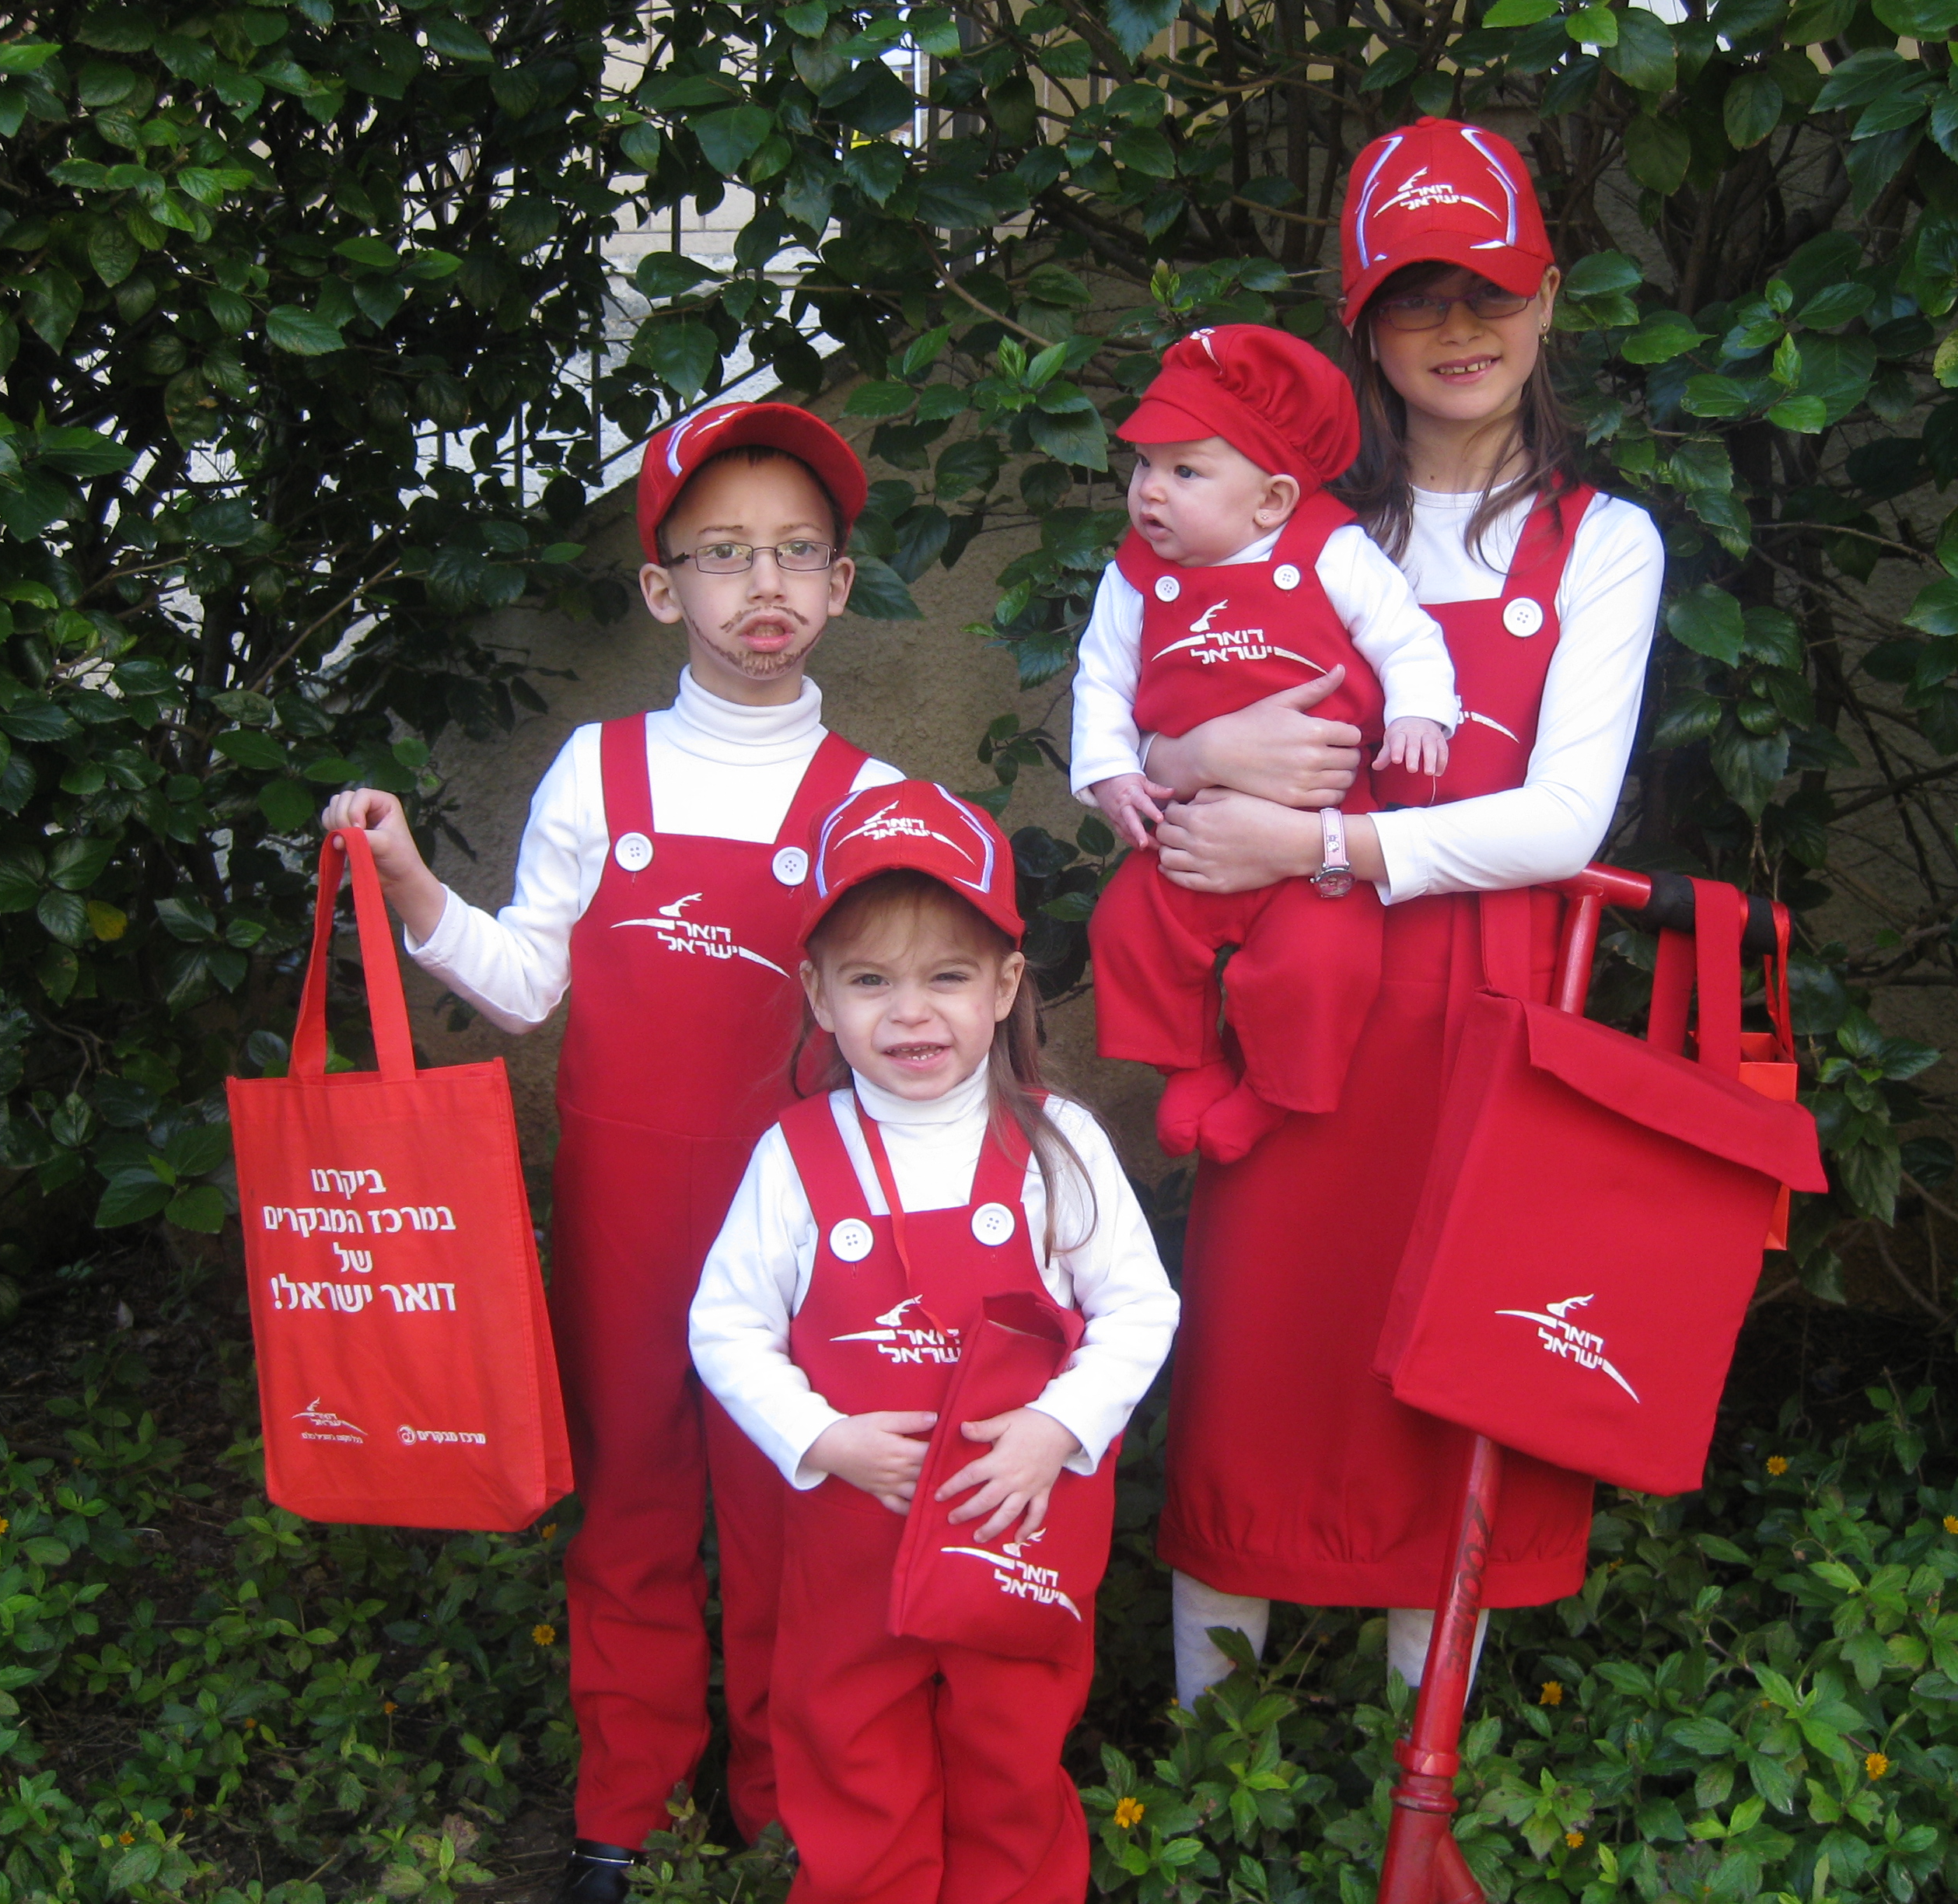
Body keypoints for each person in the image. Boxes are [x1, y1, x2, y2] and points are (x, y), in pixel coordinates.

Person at [322, 403, 904, 1902]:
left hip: (795, 1217)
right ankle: (626, 1792)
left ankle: (780, 1789)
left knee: (784, 1496)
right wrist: (407, 880)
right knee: (632, 1489)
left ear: (840, 584)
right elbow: (526, 983)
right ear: (660, 587)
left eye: (796, 552)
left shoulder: (872, 802)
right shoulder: (598, 769)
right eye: (722, 554)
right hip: (625, 1204)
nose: (761, 583)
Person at [1130, 120, 1668, 1706]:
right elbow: (1148, 725)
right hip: (1296, 1019)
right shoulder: (1282, 521)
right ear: (1362, 326)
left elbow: (1564, 820)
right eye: (1416, 298)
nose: (1458, 328)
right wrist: (1193, 758)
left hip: (1488, 1021)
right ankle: (1214, 1751)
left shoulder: (1602, 543)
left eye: (1487, 290)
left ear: (1547, 299)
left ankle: (1418, 1749)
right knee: (1260, 1342)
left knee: (1452, 1358)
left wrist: (1321, 846)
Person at [691, 779, 1179, 1904]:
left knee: (1011, 1752)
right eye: (871, 981)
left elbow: (1140, 1309)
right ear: (818, 995)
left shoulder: (1058, 1144)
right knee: (852, 1754)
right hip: (853, 1539)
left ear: (1006, 985)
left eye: (948, 977)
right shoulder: (797, 1156)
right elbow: (725, 1325)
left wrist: (1058, 1426)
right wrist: (821, 1438)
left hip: (1014, 1531)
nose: (911, 1014)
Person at [1072, 324, 1456, 1164]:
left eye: (1185, 471)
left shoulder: (1332, 551)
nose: (1150, 492)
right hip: (1192, 827)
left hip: (1317, 831)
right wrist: (1111, 773)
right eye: (1143, 466)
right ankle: (1190, 1065)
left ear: (1272, 500)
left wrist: (1420, 714)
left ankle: (1275, 1091)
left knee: (1321, 966)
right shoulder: (1133, 576)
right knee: (1128, 926)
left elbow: (1406, 638)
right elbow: (1100, 680)